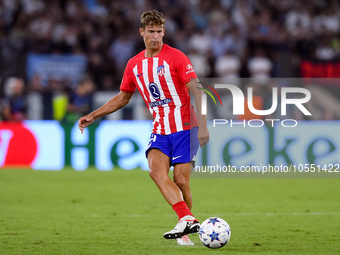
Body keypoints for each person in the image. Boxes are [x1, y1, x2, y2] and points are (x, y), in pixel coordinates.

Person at [78, 10, 209, 245]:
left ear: (164, 32)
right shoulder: (134, 64)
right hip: (160, 128)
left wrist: (204, 126)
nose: (156, 36)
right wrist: (94, 115)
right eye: (151, 32)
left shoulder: (177, 57)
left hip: (186, 126)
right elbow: (122, 97)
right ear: (142, 32)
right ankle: (186, 219)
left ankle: (186, 228)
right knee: (156, 172)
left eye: (159, 32)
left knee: (181, 180)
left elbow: (197, 89)